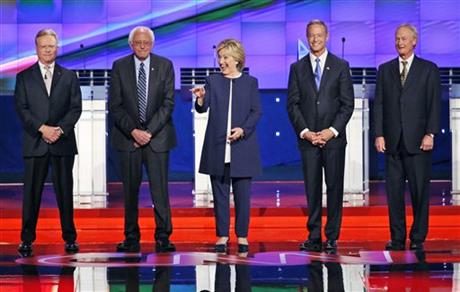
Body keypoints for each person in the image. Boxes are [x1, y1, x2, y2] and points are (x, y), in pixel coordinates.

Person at [287, 20, 354, 252]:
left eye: (319, 35)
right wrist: (306, 132)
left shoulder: (341, 66)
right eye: (311, 36)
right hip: (308, 141)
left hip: (333, 140)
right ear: (307, 37)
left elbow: (347, 105)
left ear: (327, 37)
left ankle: (332, 236)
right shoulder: (297, 68)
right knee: (312, 188)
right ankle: (314, 235)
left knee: (334, 187)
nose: (315, 39)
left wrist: (330, 131)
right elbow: (292, 105)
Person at [14, 28, 82, 257]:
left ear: (57, 48)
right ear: (36, 49)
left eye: (51, 46)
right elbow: (22, 109)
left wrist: (59, 130)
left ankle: (70, 238)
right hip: (36, 143)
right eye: (43, 46)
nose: (47, 50)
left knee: (65, 192)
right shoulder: (23, 77)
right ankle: (26, 239)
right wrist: (42, 129)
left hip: (62, 143)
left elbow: (75, 108)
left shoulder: (69, 76)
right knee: (31, 194)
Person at [373, 23, 441, 251]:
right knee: (394, 194)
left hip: (419, 141)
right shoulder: (385, 69)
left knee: (420, 192)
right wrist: (379, 134)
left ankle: (418, 237)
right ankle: (398, 237)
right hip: (392, 142)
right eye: (397, 38)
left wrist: (430, 133)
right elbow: (379, 105)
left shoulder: (428, 69)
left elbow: (433, 104)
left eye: (404, 38)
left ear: (414, 41)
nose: (399, 42)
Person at [109, 26, 177, 253]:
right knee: (130, 191)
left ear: (152, 44)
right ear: (131, 45)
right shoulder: (119, 67)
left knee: (160, 189)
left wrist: (147, 132)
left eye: (146, 42)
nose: (142, 46)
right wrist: (134, 132)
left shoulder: (165, 65)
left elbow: (168, 104)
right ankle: (130, 236)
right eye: (137, 43)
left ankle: (163, 236)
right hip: (128, 140)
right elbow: (116, 107)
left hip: (157, 138)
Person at [191, 39, 262, 253]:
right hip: (218, 147)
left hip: (243, 146)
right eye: (219, 58)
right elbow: (203, 109)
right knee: (219, 195)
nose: (221, 62)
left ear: (237, 59)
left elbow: (256, 111)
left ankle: (242, 235)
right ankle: (222, 235)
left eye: (225, 58)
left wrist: (243, 130)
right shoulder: (213, 81)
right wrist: (201, 99)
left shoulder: (251, 82)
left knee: (243, 197)